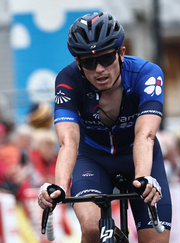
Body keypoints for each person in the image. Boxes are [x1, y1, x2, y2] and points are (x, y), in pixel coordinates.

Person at [37, 12, 171, 243]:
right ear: (78, 63)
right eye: (88, 62)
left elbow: (145, 134)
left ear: (121, 53)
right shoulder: (68, 79)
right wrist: (58, 184)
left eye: (106, 58)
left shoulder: (146, 73)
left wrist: (142, 178)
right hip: (92, 158)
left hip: (137, 156)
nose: (99, 69)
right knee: (92, 228)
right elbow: (68, 141)